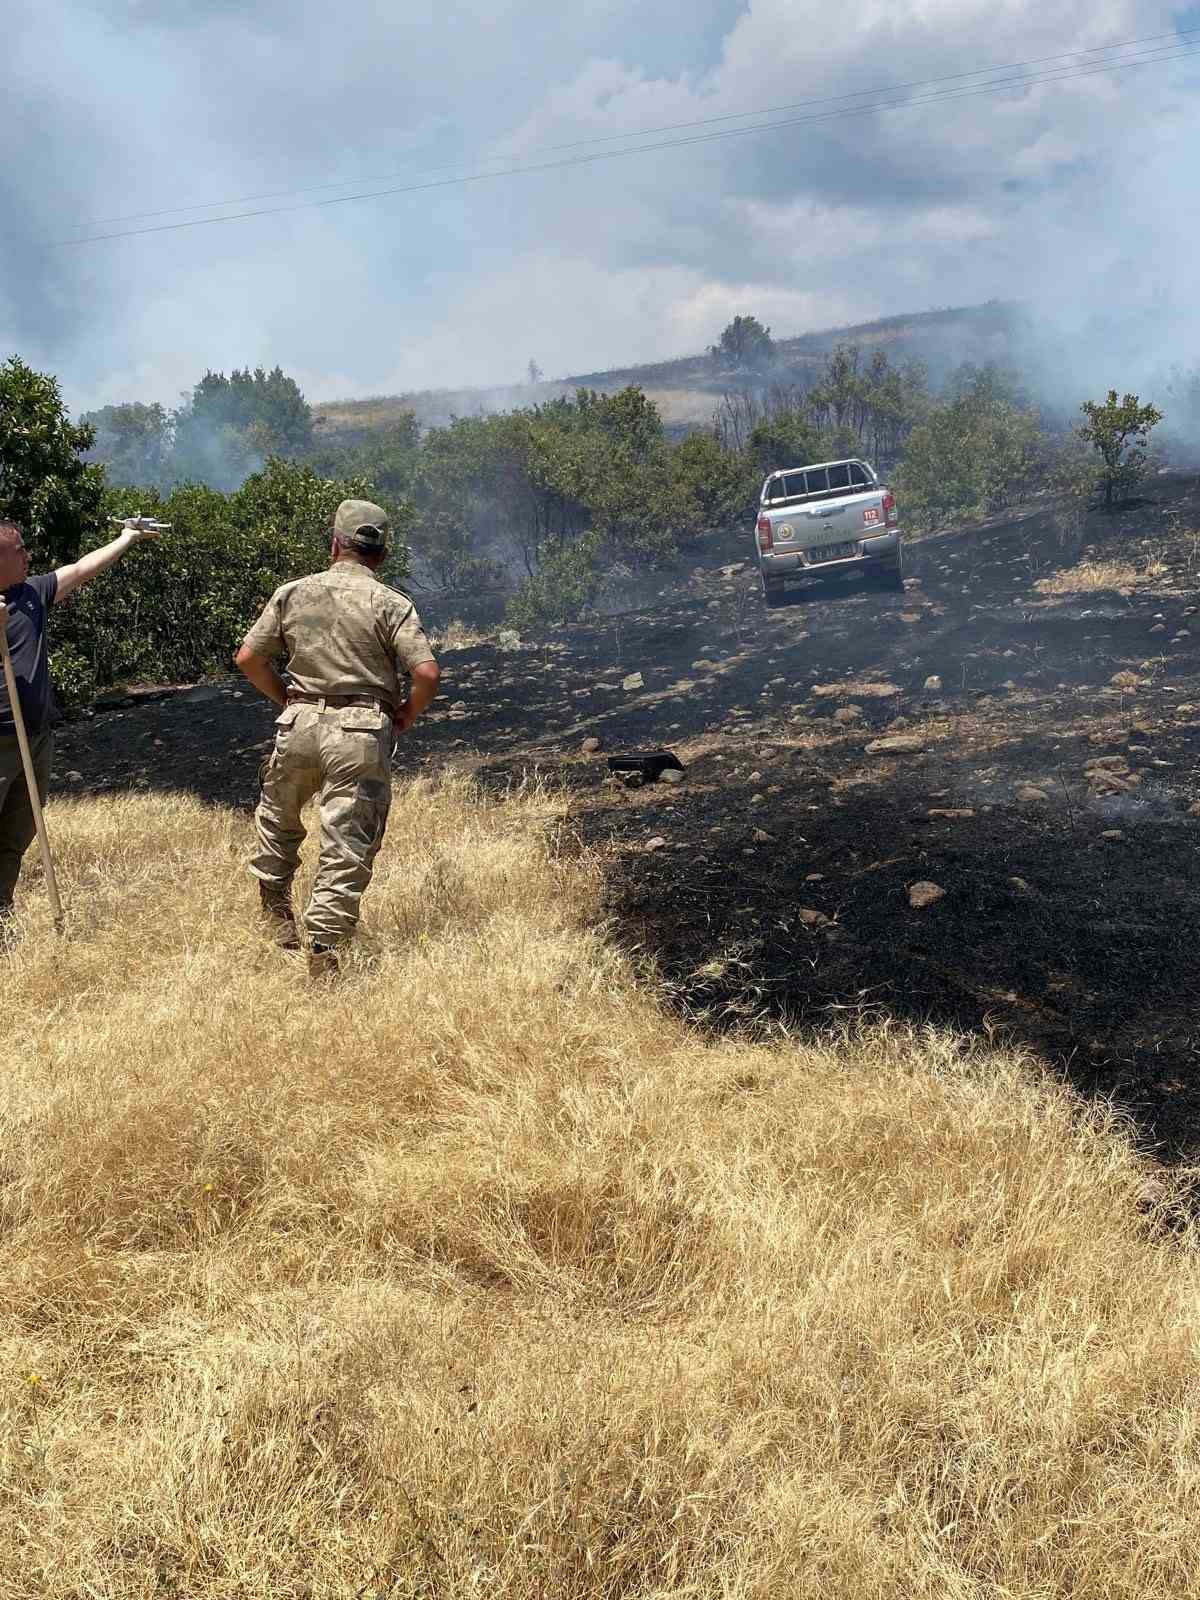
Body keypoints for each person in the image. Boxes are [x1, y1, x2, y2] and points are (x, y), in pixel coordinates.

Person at [235, 498, 440, 979]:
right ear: (382, 554)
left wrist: (286, 699)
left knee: (278, 820)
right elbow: (426, 672)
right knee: (346, 840)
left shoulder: (292, 593)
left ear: (335, 544)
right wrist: (407, 713)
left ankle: (276, 918)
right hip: (361, 731)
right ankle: (324, 953)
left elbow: (248, 657)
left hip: (299, 722)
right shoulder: (391, 603)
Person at [0, 515, 161, 944]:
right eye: (20, 550)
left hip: (35, 736)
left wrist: (126, 538)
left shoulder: (32, 592)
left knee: (17, 832)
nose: (28, 555)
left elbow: (83, 568)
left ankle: (1, 917)